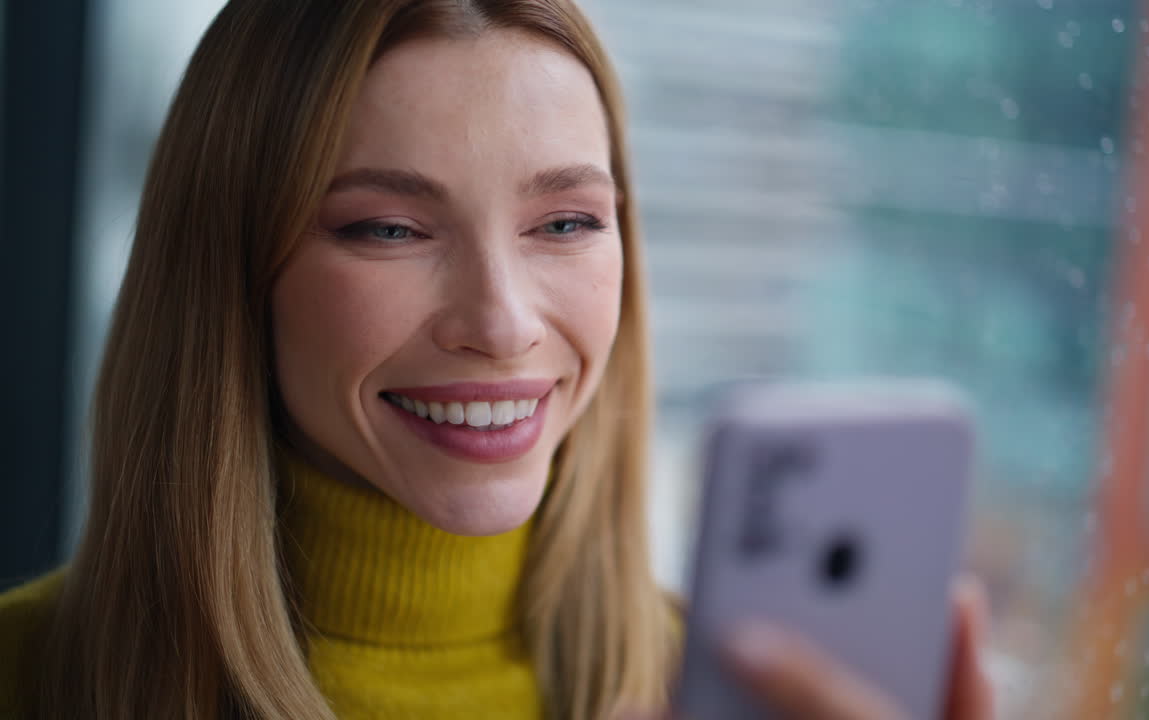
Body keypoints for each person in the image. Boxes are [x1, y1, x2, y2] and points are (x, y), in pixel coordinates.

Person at [0, 1, 994, 718]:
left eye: (564, 221)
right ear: (231, 275)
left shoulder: (726, 690)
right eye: (389, 230)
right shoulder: (27, 676)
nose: (503, 322)